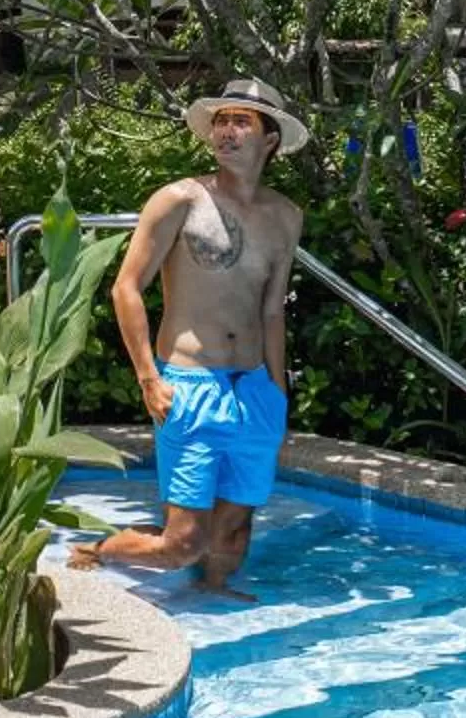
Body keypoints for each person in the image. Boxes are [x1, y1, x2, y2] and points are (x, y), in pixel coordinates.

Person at [67, 77, 306, 597]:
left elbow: (272, 312)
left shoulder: (286, 217)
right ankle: (99, 550)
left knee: (232, 535)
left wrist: (277, 393)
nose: (227, 131)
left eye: (241, 121)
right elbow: (126, 288)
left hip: (254, 390)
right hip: (190, 384)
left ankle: (212, 597)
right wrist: (148, 379)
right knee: (182, 542)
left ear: (270, 139)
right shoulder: (179, 199)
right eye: (221, 121)